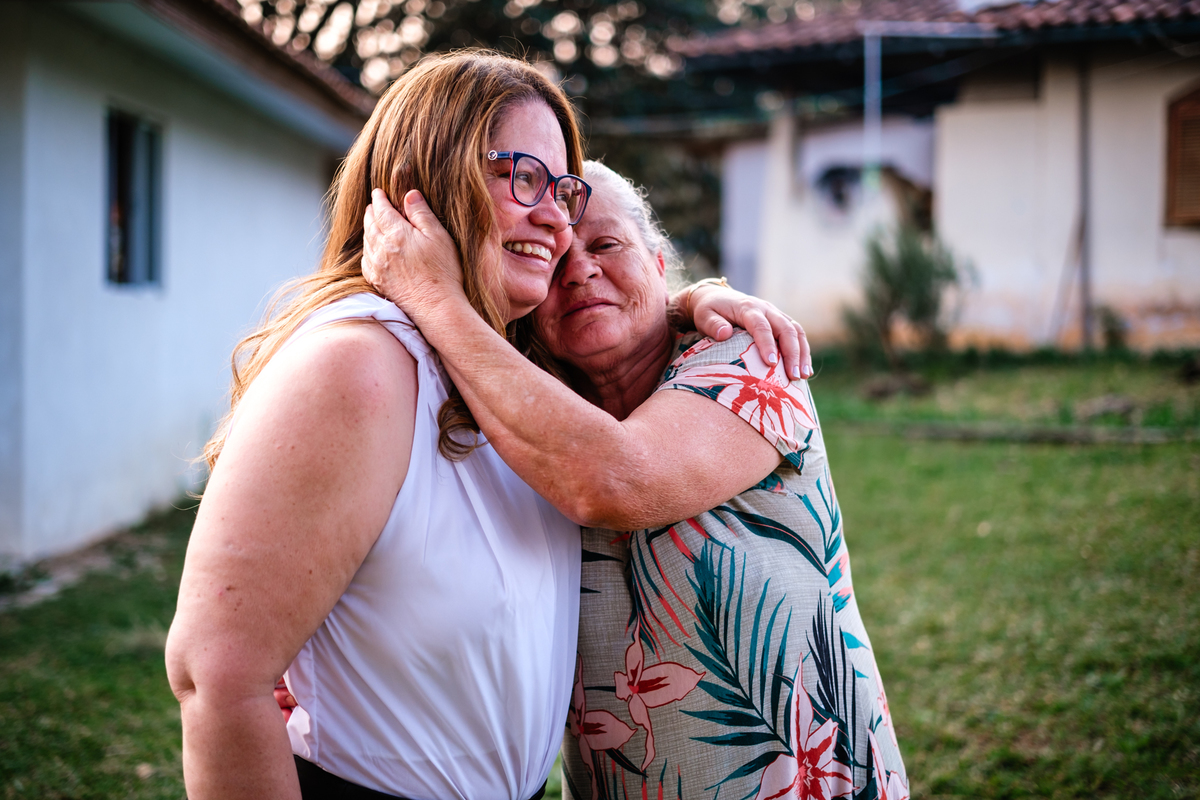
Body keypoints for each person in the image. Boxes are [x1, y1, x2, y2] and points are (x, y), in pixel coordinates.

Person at [165, 50, 805, 800]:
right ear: (427, 181)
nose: (555, 222)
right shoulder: (360, 362)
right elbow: (216, 676)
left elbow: (607, 430)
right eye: (521, 177)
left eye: (561, 190)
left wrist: (683, 303)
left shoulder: (502, 368)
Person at [358, 161, 909, 800]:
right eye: (555, 260)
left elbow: (616, 480)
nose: (581, 271)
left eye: (605, 245)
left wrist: (435, 298)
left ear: (657, 260)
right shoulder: (524, 415)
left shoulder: (750, 355)